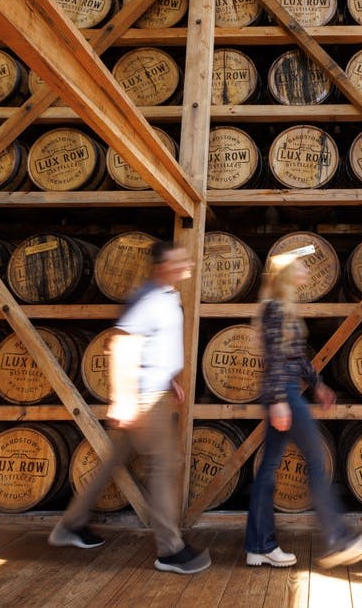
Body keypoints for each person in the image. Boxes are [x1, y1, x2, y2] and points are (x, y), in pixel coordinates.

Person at [49, 241, 211, 575]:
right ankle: (170, 550)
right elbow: (122, 344)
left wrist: (169, 379)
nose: (186, 264)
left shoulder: (169, 295)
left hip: (154, 391)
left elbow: (156, 343)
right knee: (163, 468)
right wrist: (124, 399)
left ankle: (71, 524)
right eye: (178, 260)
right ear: (161, 267)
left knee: (113, 462)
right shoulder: (150, 299)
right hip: (143, 399)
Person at [245, 252, 362, 569]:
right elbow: (275, 359)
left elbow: (296, 357)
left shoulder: (282, 308)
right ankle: (338, 538)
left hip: (287, 393)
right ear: (287, 275)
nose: (307, 270)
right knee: (316, 464)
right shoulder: (275, 310)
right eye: (301, 266)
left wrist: (317, 384)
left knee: (267, 472)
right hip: (285, 395)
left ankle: (258, 546)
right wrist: (280, 400)